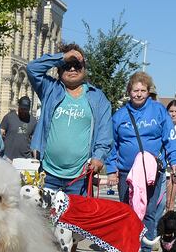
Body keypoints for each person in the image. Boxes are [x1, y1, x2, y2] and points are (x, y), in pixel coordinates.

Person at [106, 72, 176, 252]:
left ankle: (145, 251)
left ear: (148, 92)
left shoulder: (158, 111)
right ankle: (124, 248)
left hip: (151, 172)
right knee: (126, 210)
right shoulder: (120, 115)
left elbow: (169, 138)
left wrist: (174, 160)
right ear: (129, 92)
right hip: (126, 172)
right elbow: (111, 144)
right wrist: (111, 169)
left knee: (148, 212)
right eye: (134, 90)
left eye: (142, 90)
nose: (138, 94)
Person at [27, 42, 112, 196]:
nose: (72, 69)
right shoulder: (49, 89)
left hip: (80, 177)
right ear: (59, 69)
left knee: (76, 220)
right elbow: (32, 68)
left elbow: (104, 134)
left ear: (84, 68)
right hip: (48, 174)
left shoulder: (97, 97)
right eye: (67, 65)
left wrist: (98, 158)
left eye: (77, 65)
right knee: (45, 219)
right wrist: (62, 57)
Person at [0, 95, 36, 161]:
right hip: (8, 158)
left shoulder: (33, 121)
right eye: (22, 109)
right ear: (18, 106)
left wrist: (36, 159)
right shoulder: (9, 117)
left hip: (26, 159)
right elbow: (0, 134)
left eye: (26, 110)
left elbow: (35, 141)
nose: (23, 111)